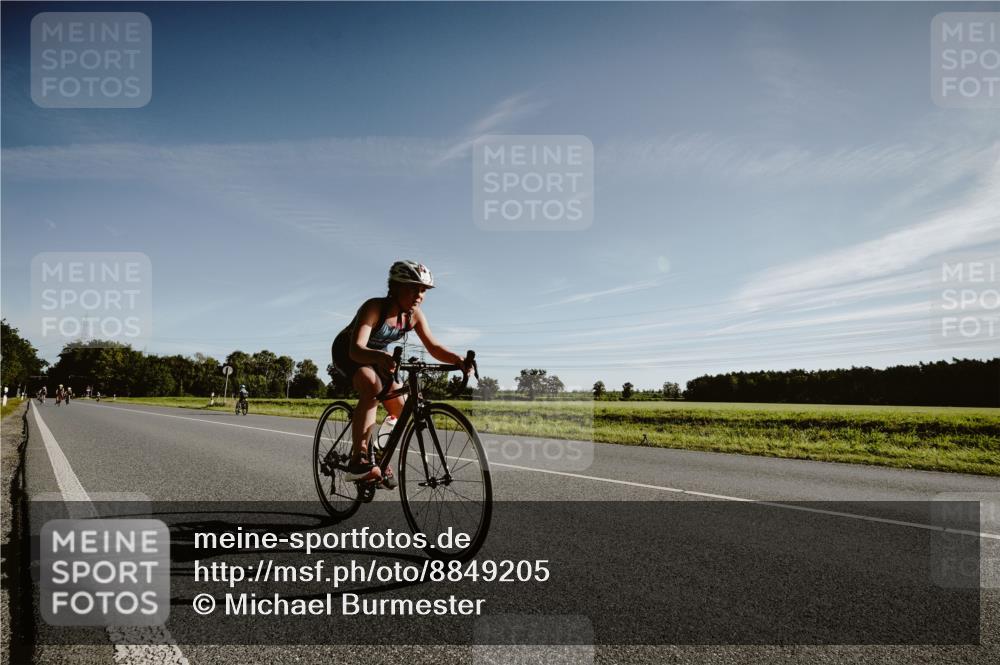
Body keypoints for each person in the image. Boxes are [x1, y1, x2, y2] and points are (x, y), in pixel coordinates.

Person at [330, 260, 474, 488]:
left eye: (423, 290)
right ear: (395, 287)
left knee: (401, 406)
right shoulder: (374, 307)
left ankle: (379, 452)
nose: (419, 295)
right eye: (413, 288)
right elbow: (357, 348)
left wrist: (458, 360)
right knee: (371, 386)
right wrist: (378, 357)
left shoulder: (414, 315)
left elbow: (434, 347)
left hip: (379, 356)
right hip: (349, 352)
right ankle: (360, 458)